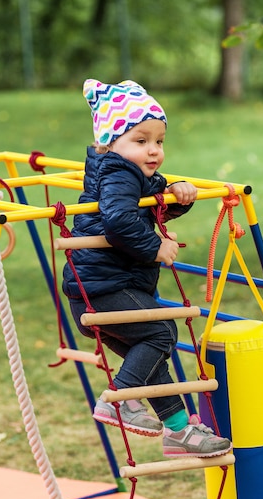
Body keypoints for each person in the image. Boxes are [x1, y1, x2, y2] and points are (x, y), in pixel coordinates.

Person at [62, 78, 232, 457]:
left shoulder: (130, 173)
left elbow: (149, 205)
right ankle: (119, 401)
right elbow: (121, 221)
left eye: (159, 141)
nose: (153, 150)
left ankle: (177, 430)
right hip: (103, 290)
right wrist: (156, 247)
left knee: (151, 352)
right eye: (141, 141)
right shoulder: (119, 174)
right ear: (109, 143)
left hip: (100, 288)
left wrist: (178, 195)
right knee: (161, 334)